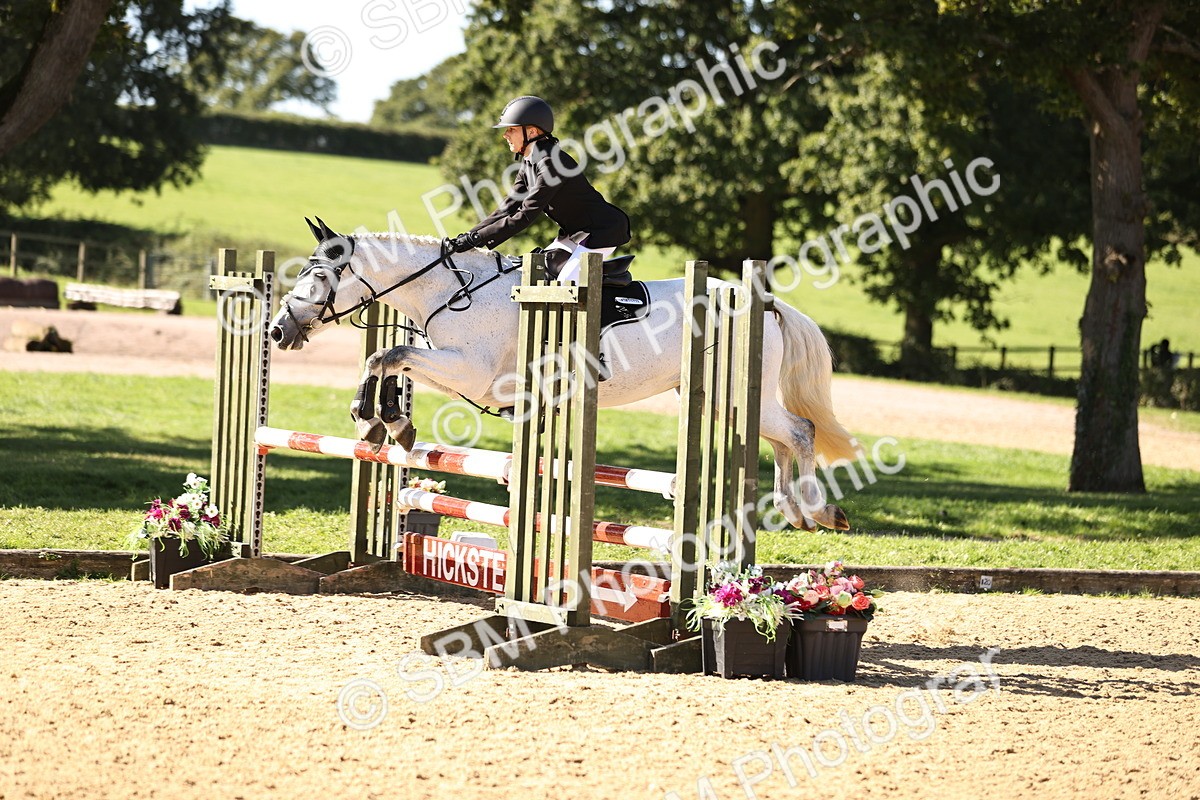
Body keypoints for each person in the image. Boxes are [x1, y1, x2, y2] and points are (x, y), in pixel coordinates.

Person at [448, 96, 631, 283]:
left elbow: (525, 214)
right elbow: (506, 208)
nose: (505, 135)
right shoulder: (530, 163)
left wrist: (477, 238)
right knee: (537, 274)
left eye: (511, 129)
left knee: (565, 284)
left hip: (601, 232)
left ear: (532, 131)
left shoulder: (552, 163)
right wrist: (468, 237)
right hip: (576, 233)